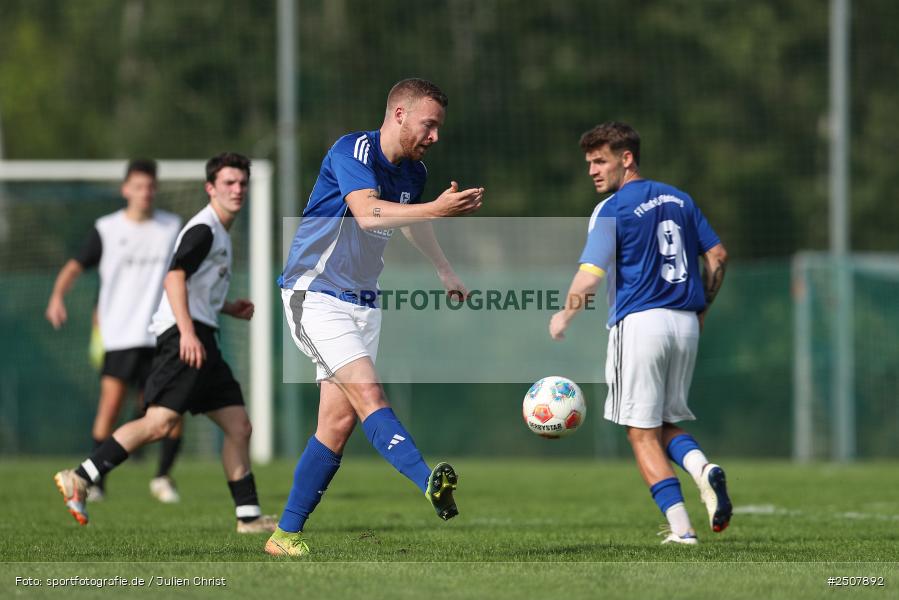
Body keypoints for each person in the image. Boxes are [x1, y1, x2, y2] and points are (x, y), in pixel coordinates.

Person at [268, 78, 484, 556]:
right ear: (400, 114)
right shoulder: (354, 151)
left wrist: (444, 267)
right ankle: (427, 479)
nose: (435, 136)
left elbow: (411, 222)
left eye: (439, 128)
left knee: (336, 426)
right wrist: (436, 210)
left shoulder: (414, 172)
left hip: (363, 301)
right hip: (315, 292)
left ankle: (285, 537)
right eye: (429, 125)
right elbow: (368, 214)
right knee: (369, 393)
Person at [53, 153, 277, 534]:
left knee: (239, 426)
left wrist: (226, 307)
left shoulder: (219, 232)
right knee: (159, 423)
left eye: (242, 183)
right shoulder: (204, 229)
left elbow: (192, 285)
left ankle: (249, 517)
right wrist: (188, 332)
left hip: (204, 336)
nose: (237, 190)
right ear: (211, 188)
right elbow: (173, 277)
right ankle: (82, 476)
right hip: (185, 338)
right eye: (228, 183)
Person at [549, 122, 732, 545]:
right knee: (663, 423)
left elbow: (590, 276)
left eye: (600, 161)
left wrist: (565, 314)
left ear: (626, 158)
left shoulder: (613, 208)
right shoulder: (681, 199)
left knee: (640, 433)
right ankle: (703, 469)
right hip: (685, 324)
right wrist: (703, 306)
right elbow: (718, 255)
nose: (593, 171)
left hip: (640, 323)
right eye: (589, 163)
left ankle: (683, 530)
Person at [45, 159, 185, 504]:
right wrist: (57, 296)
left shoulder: (172, 227)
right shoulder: (107, 229)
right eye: (138, 186)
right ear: (125, 190)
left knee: (171, 410)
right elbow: (74, 266)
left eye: (150, 186)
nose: (145, 193)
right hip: (120, 334)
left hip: (163, 333)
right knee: (110, 407)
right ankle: (97, 483)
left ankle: (163, 477)